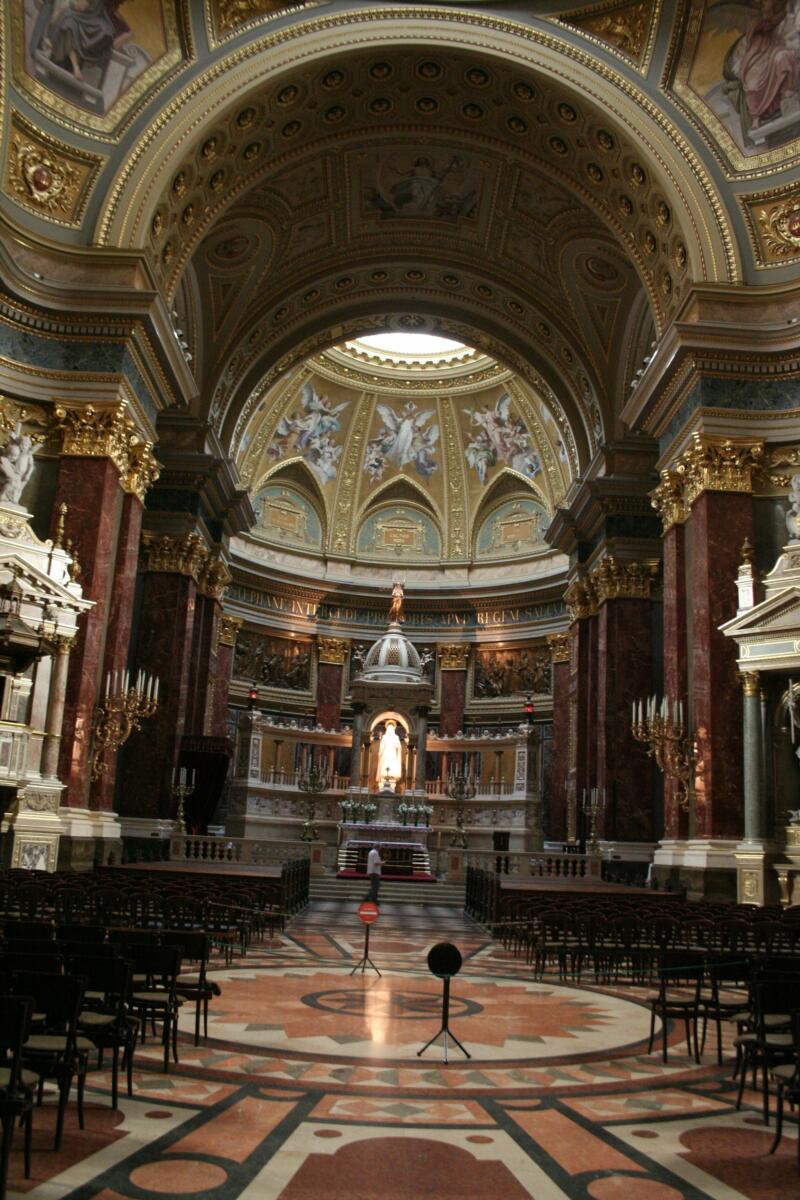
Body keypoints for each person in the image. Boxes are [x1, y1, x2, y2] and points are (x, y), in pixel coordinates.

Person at [376, 719, 402, 789]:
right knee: (384, 766)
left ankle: (391, 777)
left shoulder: (395, 737)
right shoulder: (385, 737)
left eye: (391, 728)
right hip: (386, 754)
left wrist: (380, 752)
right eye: (389, 728)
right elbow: (382, 746)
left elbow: (398, 746)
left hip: (392, 754)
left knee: (391, 766)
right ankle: (384, 777)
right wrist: (380, 753)